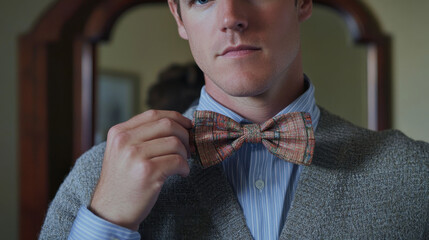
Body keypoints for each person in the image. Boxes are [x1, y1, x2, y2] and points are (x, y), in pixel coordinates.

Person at [40, 0, 429, 239]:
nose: (231, 18)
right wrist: (107, 224)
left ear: (303, 1)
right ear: (179, 15)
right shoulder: (97, 179)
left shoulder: (415, 175)